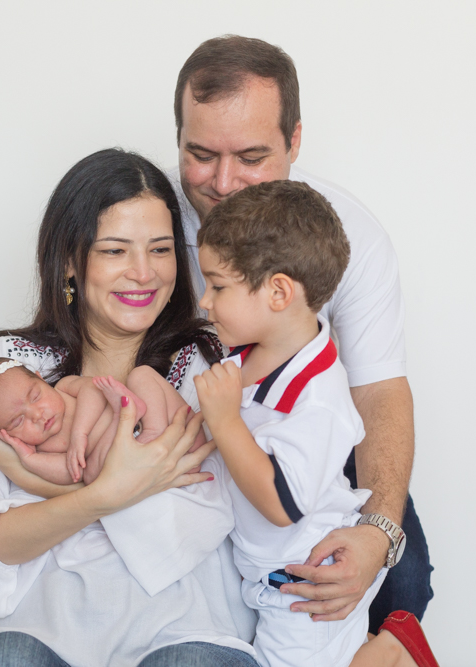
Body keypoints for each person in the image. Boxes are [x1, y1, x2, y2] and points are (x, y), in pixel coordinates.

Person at [0, 148, 260, 666]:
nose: (143, 273)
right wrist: (108, 493)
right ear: (69, 259)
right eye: (115, 251)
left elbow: (211, 519)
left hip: (183, 625)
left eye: (160, 250)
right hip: (37, 629)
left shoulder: (213, 364)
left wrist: (35, 485)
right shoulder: (12, 371)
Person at [169, 34, 433, 628]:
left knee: (404, 576)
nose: (224, 181)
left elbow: (378, 390)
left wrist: (378, 532)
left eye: (252, 156)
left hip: (295, 446)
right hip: (188, 436)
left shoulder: (351, 235)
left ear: (294, 140)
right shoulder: (145, 214)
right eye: (201, 153)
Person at [0, 356, 204, 485]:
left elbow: (93, 390)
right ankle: (125, 415)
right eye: (17, 421)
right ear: (5, 435)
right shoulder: (43, 448)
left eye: (35, 396)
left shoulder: (64, 388)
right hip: (128, 458)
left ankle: (153, 428)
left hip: (158, 424)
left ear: (41, 378)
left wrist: (80, 434)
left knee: (142, 375)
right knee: (89, 476)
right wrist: (30, 460)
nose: (37, 414)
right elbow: (70, 475)